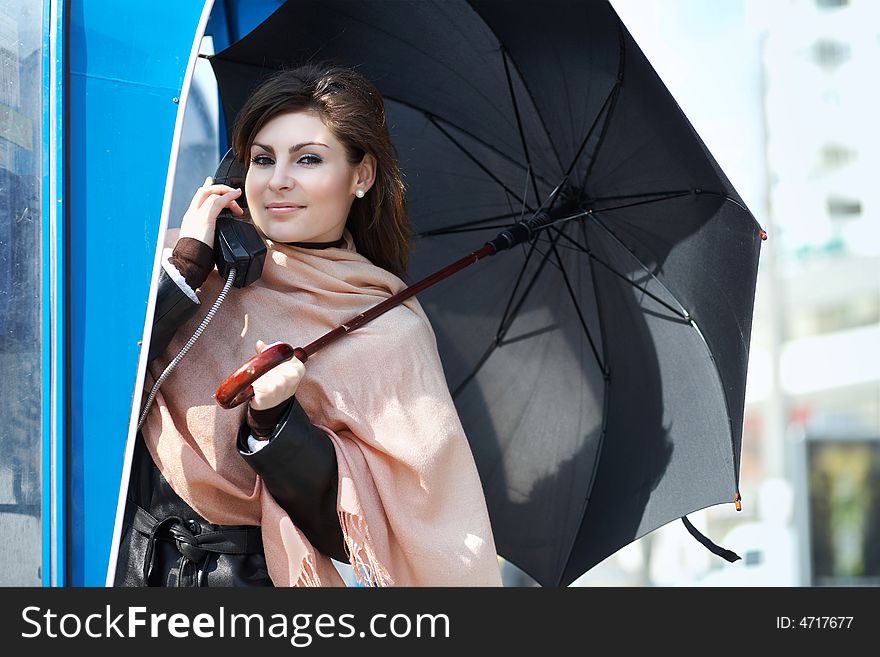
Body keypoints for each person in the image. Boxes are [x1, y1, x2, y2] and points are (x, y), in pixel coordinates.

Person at [114, 63, 502, 587]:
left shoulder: (386, 329)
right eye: (262, 159)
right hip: (114, 562)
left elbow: (358, 529)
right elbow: (84, 383)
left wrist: (275, 426)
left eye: (309, 159)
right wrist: (183, 271)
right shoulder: (195, 268)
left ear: (361, 176)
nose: (278, 180)